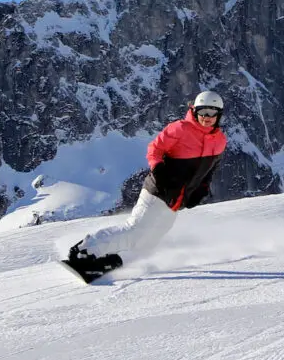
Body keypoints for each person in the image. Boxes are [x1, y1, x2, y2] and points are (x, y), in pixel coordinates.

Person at [65, 90, 228, 279]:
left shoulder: (220, 141)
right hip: (158, 190)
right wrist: (159, 171)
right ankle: (83, 250)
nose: (207, 117)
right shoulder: (180, 128)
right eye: (203, 112)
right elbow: (154, 149)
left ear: (219, 115)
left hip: (176, 200)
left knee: (150, 242)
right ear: (195, 111)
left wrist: (202, 189)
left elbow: (210, 170)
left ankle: (110, 261)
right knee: (134, 229)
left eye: (212, 112)